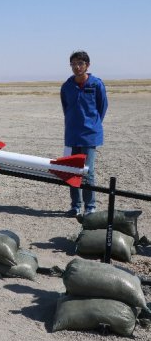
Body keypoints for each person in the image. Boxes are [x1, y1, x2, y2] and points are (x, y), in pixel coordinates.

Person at [60, 50, 108, 217]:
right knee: (71, 170)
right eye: (73, 64)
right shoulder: (67, 86)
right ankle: (75, 206)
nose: (77, 67)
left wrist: (92, 124)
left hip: (90, 135)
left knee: (87, 172)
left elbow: (102, 107)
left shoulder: (96, 84)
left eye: (80, 63)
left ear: (87, 65)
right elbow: (66, 108)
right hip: (72, 134)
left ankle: (90, 207)